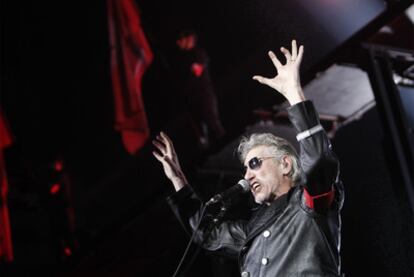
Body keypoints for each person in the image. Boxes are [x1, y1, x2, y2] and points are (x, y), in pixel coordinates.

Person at [153, 40, 344, 276]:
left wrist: (294, 93)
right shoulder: (252, 230)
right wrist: (178, 179)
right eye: (245, 169)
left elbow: (318, 161)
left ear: (285, 164)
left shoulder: (308, 205)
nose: (247, 175)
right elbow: (207, 234)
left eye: (255, 163)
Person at [172, 29, 226, 148]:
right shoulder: (181, 58)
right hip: (191, 98)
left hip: (204, 95)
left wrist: (192, 69)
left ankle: (226, 150)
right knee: (200, 134)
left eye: (181, 39)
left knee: (213, 124)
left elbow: (197, 70)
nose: (178, 43)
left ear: (190, 38)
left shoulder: (198, 53)